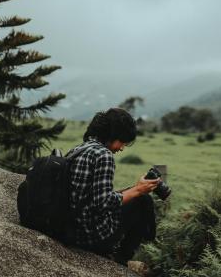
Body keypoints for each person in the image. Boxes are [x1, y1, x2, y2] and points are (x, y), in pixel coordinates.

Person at [66, 107, 158, 264]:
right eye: (121, 141)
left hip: (70, 226)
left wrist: (133, 190)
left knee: (133, 193)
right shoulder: (104, 155)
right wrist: (137, 190)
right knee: (143, 201)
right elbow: (103, 203)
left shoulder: (80, 148)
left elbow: (91, 195)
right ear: (112, 135)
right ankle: (121, 259)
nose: (121, 148)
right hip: (89, 236)